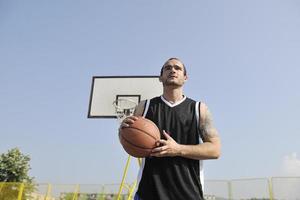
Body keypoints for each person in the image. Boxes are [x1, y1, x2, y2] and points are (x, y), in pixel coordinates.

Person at [121, 58, 221, 200]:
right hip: (149, 193)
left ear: (185, 77)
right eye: (167, 68)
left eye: (177, 68)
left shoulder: (199, 109)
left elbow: (215, 150)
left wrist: (177, 149)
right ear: (160, 77)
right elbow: (132, 143)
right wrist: (124, 130)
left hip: (188, 194)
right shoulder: (144, 107)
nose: (172, 70)